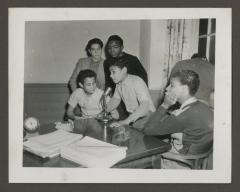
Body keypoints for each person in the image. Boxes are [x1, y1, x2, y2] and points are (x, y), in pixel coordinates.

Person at [143, 70, 213, 169]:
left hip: (178, 162)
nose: (167, 89)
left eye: (172, 85)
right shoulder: (204, 105)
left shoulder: (182, 115)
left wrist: (165, 105)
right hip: (198, 158)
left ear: (184, 89)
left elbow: (147, 130)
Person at [106, 58, 155, 130]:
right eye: (110, 73)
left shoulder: (137, 81)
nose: (110, 75)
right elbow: (115, 100)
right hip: (134, 117)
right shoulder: (119, 83)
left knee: (129, 130)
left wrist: (125, 122)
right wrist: (103, 112)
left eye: (113, 72)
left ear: (124, 70)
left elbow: (144, 107)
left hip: (147, 116)